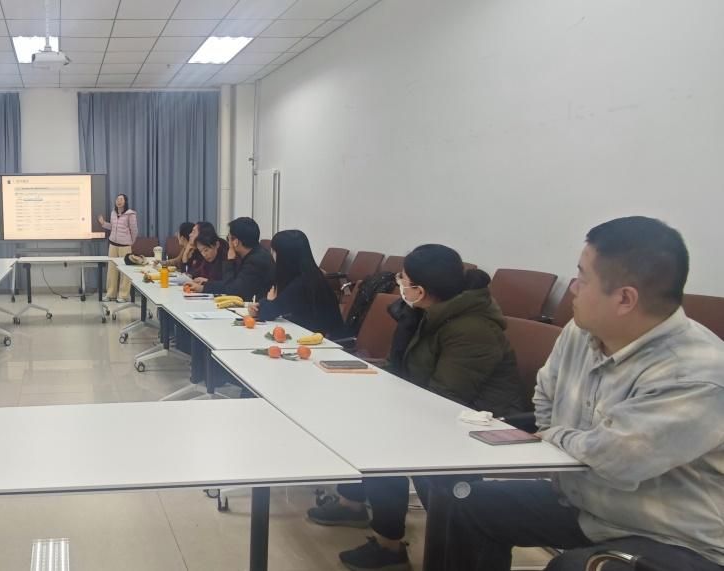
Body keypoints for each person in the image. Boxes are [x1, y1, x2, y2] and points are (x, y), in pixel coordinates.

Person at [425, 216, 724, 571]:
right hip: (587, 502)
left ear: (625, 298)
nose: (573, 288)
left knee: (571, 567)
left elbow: (616, 460)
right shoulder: (581, 331)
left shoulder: (696, 373)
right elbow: (545, 398)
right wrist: (566, 436)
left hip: (672, 534)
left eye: (582, 278)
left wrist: (556, 436)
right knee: (461, 502)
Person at [308, 243, 523, 571]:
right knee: (364, 425)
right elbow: (404, 369)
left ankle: (396, 546)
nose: (398, 283)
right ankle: (371, 525)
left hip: (474, 422)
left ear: (420, 290)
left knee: (382, 440)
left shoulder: (472, 329)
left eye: (402, 278)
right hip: (432, 406)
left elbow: (446, 399)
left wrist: (388, 405)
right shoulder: (426, 314)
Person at [249, 229, 343, 334]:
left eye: (274, 251)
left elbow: (269, 312)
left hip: (321, 340)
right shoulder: (311, 274)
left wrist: (268, 301)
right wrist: (265, 304)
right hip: (312, 333)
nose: (272, 254)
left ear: (284, 256)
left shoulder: (301, 283)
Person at [187, 217, 272, 301]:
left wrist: (230, 261)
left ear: (236, 242)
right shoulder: (253, 254)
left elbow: (233, 290)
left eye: (228, 238)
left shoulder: (256, 261)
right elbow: (233, 284)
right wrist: (206, 285)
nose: (228, 243)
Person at [98, 193, 138, 302]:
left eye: (121, 199)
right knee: (111, 270)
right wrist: (103, 223)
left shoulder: (130, 214)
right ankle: (111, 294)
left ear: (125, 202)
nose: (118, 201)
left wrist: (130, 242)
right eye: (117, 199)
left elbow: (134, 230)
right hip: (113, 245)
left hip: (125, 246)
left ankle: (124, 296)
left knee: (125, 271)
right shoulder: (113, 213)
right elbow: (113, 227)